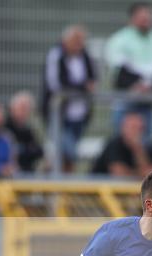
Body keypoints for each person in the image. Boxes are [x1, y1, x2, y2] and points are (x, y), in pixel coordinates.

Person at [104, 3, 152, 138]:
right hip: (126, 100)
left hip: (147, 101)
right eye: (142, 18)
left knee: (145, 141)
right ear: (132, 19)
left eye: (147, 18)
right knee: (123, 139)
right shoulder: (120, 39)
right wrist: (137, 83)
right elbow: (119, 70)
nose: (146, 21)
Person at [42, 25, 97, 172]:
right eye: (75, 40)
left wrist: (85, 88)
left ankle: (63, 184)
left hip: (79, 115)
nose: (79, 44)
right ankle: (51, 176)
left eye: (81, 40)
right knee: (68, 151)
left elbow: (93, 80)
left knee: (67, 156)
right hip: (59, 114)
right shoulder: (56, 55)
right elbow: (56, 85)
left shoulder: (86, 56)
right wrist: (82, 87)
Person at [91, 111, 151, 178]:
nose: (137, 132)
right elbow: (119, 174)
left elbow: (148, 172)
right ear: (123, 128)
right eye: (133, 127)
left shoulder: (142, 148)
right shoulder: (114, 145)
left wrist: (138, 150)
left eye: (140, 128)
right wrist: (140, 173)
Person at [5, 91, 43, 173]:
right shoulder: (3, 128)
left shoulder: (29, 130)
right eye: (22, 108)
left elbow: (39, 151)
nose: (24, 112)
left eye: (27, 109)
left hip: (26, 172)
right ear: (12, 108)